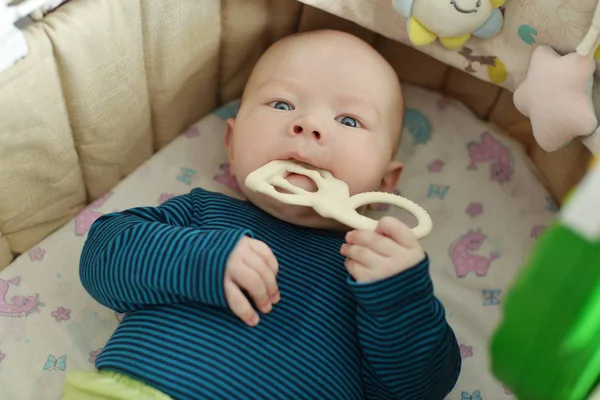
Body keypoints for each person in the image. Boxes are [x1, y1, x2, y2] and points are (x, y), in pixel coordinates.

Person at [63, 29, 461, 400]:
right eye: (282, 104)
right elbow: (102, 258)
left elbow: (421, 390)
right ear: (232, 144)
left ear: (384, 182)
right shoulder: (205, 212)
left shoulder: (375, 270)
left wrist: (400, 296)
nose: (308, 124)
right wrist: (203, 258)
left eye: (349, 120)